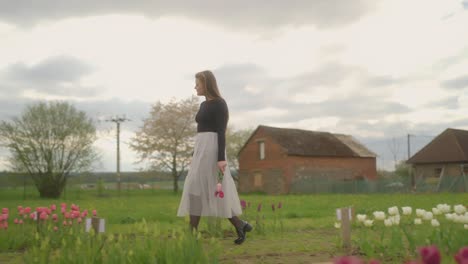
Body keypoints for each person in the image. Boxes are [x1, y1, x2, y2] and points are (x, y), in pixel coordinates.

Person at [177, 70, 252, 245]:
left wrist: (220, 158)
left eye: (198, 83)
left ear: (207, 84)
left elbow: (220, 132)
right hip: (201, 150)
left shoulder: (220, 103)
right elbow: (201, 131)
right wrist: (195, 153)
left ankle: (235, 225)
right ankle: (239, 224)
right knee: (196, 187)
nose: (195, 86)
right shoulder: (203, 105)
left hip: (212, 150)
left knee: (212, 190)